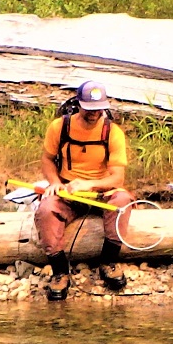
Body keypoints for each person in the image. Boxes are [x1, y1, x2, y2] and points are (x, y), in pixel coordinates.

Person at [36, 80, 134, 299]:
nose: (93, 114)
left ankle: (108, 262)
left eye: (98, 109)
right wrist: (54, 182)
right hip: (67, 191)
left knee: (122, 201)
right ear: (78, 104)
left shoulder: (113, 132)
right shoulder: (59, 127)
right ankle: (60, 271)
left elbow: (117, 177)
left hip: (100, 191)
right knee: (46, 210)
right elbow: (47, 159)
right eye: (88, 109)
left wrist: (88, 184)